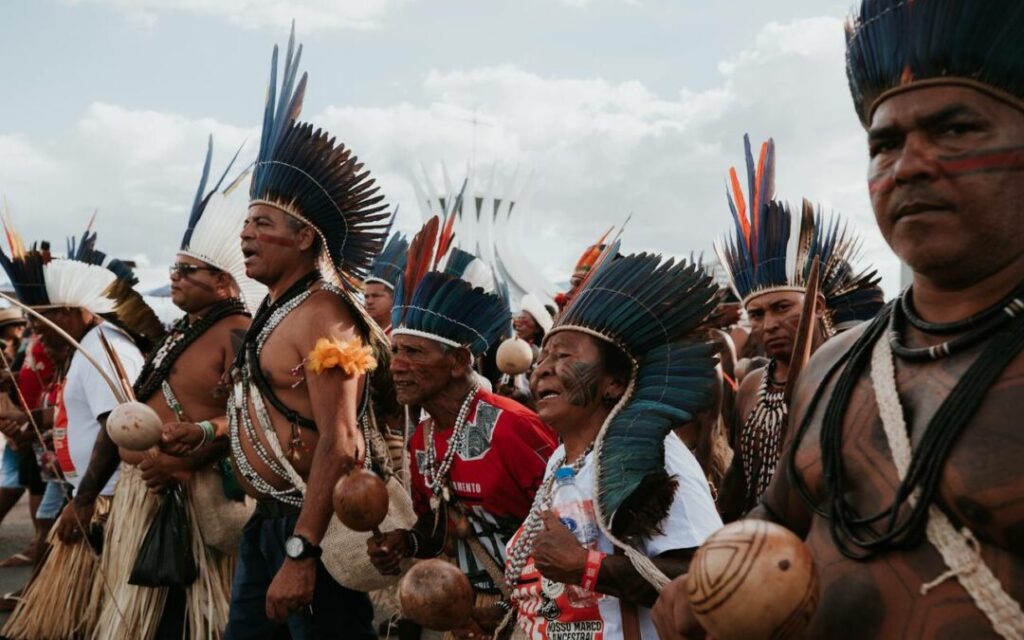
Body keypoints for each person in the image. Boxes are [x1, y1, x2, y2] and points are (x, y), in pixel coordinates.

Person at [654, 1, 1024, 637]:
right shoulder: (834, 366)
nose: (909, 164)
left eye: (955, 130)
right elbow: (778, 516)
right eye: (885, 144)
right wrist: (707, 587)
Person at [224, 26, 392, 639]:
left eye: (262, 222)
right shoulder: (274, 307)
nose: (245, 234)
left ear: (303, 239)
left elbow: (341, 441)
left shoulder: (325, 314)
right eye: (245, 222)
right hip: (269, 523)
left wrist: (303, 552)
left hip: (309, 528)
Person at [493, 250, 722, 640]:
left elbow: (707, 577)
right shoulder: (560, 461)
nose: (543, 367)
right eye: (544, 355)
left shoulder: (652, 453)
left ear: (614, 382)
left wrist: (587, 566)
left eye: (564, 355)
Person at [93, 139, 263, 639]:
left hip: (193, 497)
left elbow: (258, 422)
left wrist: (191, 457)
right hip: (145, 496)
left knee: (188, 622)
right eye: (174, 269)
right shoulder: (183, 329)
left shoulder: (240, 332)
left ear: (225, 282)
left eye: (187, 271)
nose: (175, 279)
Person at [367, 216, 557, 635]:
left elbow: (573, 533)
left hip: (537, 614)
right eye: (395, 351)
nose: (396, 367)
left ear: (457, 362)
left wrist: (521, 611)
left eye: (413, 352)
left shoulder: (513, 427)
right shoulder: (424, 438)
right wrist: (408, 542)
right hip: (468, 616)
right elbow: (436, 534)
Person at [0, 228, 164, 640]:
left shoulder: (103, 349)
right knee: (83, 616)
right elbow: (93, 416)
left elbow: (120, 426)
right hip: (96, 500)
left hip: (107, 502)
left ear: (73, 311)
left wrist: (85, 498)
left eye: (44, 321)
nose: (38, 335)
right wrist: (34, 417)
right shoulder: (90, 346)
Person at [713, 135, 883, 521]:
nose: (769, 324)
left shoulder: (853, 374)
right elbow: (739, 478)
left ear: (817, 305)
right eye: (756, 315)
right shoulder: (752, 386)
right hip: (757, 550)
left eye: (782, 308)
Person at [364, 230, 408, 336]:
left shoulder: (402, 338)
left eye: (376, 296)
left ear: (394, 299)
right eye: (366, 296)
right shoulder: (358, 331)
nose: (369, 301)